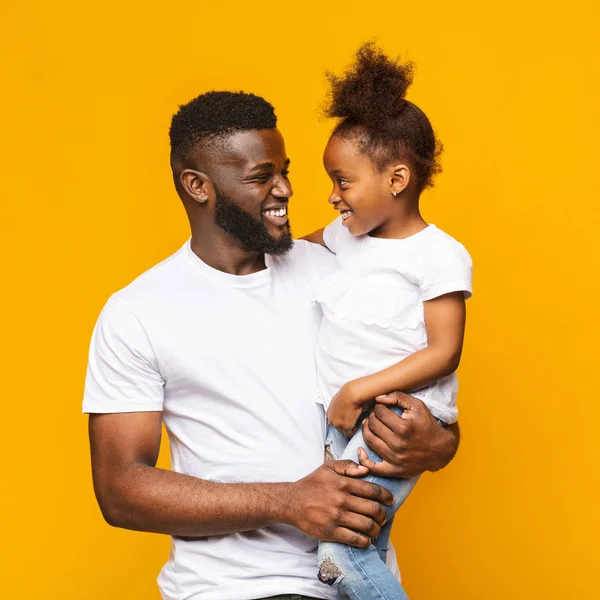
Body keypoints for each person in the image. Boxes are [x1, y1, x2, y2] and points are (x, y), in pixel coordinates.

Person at [83, 89, 460, 600]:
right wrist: (287, 502)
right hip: (229, 590)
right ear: (198, 186)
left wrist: (436, 444)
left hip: (360, 581)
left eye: (286, 171)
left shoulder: (339, 269)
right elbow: (120, 490)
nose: (284, 189)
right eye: (262, 177)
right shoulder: (137, 313)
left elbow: (424, 392)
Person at [302, 43, 472, 599]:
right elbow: (285, 251)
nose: (331, 196)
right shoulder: (341, 239)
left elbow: (444, 352)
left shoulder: (439, 254)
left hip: (391, 423)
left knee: (341, 553)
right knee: (363, 549)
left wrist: (360, 389)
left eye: (342, 181)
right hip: (340, 424)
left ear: (396, 180)